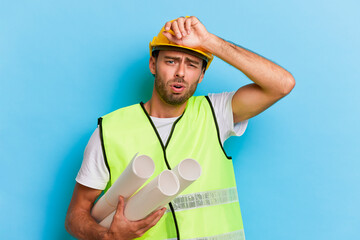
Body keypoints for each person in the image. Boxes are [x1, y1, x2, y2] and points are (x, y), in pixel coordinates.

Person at [65, 16, 295, 240]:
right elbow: (76, 216)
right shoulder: (110, 130)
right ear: (153, 64)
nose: (181, 73)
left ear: (202, 74)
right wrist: (108, 236)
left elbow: (282, 85)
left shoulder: (216, 113)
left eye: (192, 64)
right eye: (171, 61)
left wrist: (209, 42)